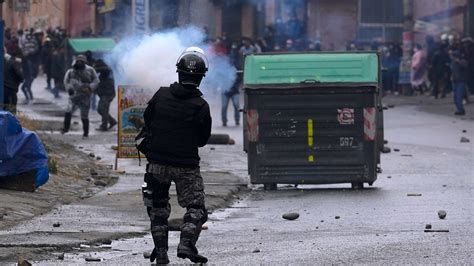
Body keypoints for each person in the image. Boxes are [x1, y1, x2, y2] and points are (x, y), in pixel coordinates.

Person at [140, 47, 212, 264]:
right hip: (186, 166)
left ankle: (161, 252)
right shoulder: (201, 106)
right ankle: (186, 243)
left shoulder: (161, 95)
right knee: (196, 208)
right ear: (200, 78)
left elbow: (148, 121)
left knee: (158, 208)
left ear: (178, 73)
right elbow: (202, 140)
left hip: (156, 164)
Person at [62, 55, 99, 138]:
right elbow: (66, 81)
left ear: (84, 62)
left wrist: (90, 87)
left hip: (85, 95)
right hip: (74, 95)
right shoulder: (71, 71)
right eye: (77, 61)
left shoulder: (90, 70)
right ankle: (65, 128)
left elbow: (96, 80)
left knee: (84, 115)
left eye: (80, 61)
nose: (79, 63)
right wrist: (69, 89)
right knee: (68, 111)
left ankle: (86, 133)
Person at [94, 59, 117, 131]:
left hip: (108, 94)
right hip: (104, 94)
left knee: (103, 109)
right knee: (101, 109)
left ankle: (104, 126)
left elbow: (104, 69)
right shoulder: (103, 73)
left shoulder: (107, 70)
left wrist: (94, 68)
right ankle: (112, 121)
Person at [20, 31, 39, 104]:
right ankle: (29, 98)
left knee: (25, 87)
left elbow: (29, 69)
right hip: (29, 76)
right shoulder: (26, 60)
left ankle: (30, 99)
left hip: (29, 77)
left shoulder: (28, 61)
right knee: (26, 88)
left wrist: (30, 76)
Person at [3, 49, 24, 114]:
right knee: (12, 107)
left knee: (5, 106)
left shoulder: (6, 61)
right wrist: (21, 78)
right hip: (11, 88)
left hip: (4, 87)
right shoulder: (14, 62)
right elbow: (19, 75)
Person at [449, 47, 468, 115]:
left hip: (461, 81)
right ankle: (459, 109)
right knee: (455, 97)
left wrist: (459, 61)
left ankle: (461, 110)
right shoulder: (453, 62)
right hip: (454, 81)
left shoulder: (462, 61)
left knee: (459, 96)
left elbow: (465, 66)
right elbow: (453, 71)